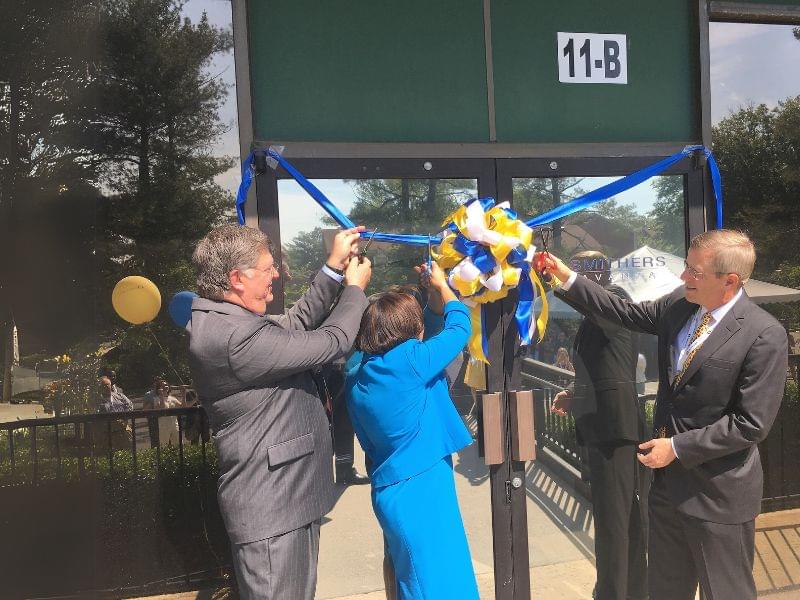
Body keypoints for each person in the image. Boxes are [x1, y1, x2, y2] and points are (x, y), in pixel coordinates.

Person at [539, 229, 788, 600]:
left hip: (717, 496)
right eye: (686, 266)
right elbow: (624, 312)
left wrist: (676, 447)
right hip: (667, 491)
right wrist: (565, 276)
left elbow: (750, 424)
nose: (684, 276)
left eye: (695, 272)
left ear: (730, 281)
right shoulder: (679, 305)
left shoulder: (763, 334)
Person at [187, 224, 370, 600]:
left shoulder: (227, 319)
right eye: (268, 267)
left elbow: (294, 324)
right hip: (273, 510)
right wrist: (354, 290)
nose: (276, 274)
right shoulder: (232, 337)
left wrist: (334, 268)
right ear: (236, 278)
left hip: (284, 502)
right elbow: (332, 341)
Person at [345, 262, 479, 600]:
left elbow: (429, 339)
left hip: (393, 486)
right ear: (411, 330)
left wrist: (432, 295)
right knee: (438, 584)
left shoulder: (359, 372)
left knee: (418, 579)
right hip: (423, 487)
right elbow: (460, 326)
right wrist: (444, 288)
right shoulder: (411, 362)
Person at [550, 250, 649, 600]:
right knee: (622, 518)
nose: (572, 272)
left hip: (614, 430)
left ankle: (613, 593)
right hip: (606, 426)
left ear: (598, 274)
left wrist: (559, 277)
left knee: (613, 522)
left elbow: (588, 301)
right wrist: (572, 392)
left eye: (580, 269)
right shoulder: (599, 313)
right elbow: (601, 367)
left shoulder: (616, 301)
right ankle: (632, 590)